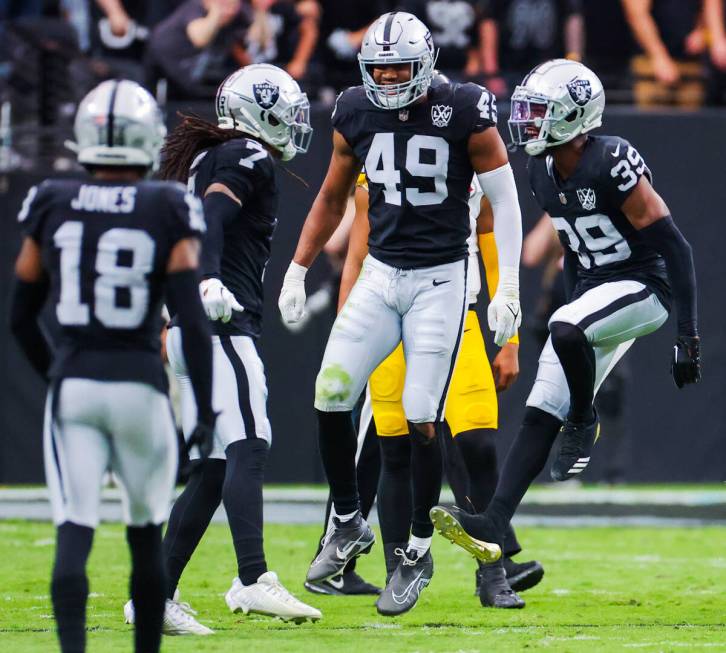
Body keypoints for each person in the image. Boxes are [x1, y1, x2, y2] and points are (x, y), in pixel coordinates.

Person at [278, 10, 523, 599]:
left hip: (441, 279)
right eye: (378, 69)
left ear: (426, 63)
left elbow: (505, 204)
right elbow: (334, 197)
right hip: (383, 275)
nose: (387, 79)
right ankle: (345, 521)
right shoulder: (354, 110)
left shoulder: (464, 107)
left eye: (399, 68)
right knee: (330, 391)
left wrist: (508, 286)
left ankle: (416, 551)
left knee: (421, 419)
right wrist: (296, 267)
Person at [431, 60, 701, 569]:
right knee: (539, 406)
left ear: (575, 116)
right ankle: (494, 520)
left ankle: (583, 418)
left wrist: (687, 337)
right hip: (597, 292)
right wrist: (578, 300)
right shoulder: (540, 168)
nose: (527, 121)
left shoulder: (612, 160)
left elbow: (677, 247)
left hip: (646, 286)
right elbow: (574, 249)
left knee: (565, 327)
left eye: (540, 112)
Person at [9, 79, 215, 653]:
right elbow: (193, 323)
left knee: (74, 529)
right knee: (145, 537)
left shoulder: (52, 198)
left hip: (74, 383)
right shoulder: (167, 203)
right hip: (141, 388)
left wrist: (56, 372)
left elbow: (20, 316)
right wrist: (204, 406)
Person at [123, 63, 321, 633]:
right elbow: (211, 217)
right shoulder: (246, 155)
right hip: (220, 323)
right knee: (250, 442)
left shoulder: (217, 156)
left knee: (212, 466)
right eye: (285, 110)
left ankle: (151, 597)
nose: (293, 122)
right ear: (260, 111)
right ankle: (254, 578)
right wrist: (209, 281)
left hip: (193, 327)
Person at [321, 163, 542, 614]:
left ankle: (493, 571)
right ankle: (397, 571)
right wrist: (347, 332)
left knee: (478, 443)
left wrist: (511, 336)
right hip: (388, 319)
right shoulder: (380, 157)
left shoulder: (468, 148)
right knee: (397, 451)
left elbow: (491, 238)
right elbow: (358, 251)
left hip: (457, 317)